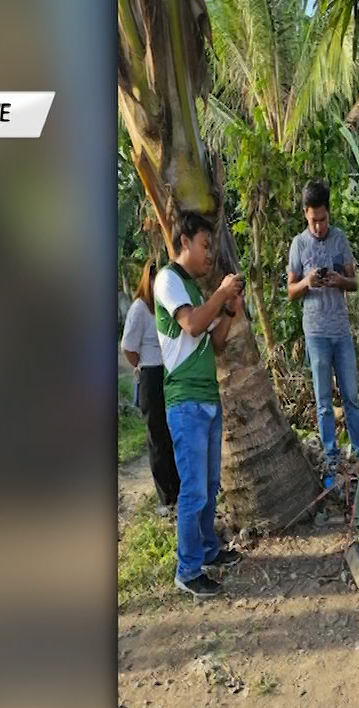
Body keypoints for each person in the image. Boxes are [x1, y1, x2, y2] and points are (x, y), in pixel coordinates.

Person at [155, 209, 246, 599]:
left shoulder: (193, 289)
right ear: (184, 241)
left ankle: (208, 550)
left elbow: (216, 341)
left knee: (208, 485)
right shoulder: (168, 280)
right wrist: (222, 294)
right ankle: (188, 569)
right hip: (186, 400)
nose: (210, 254)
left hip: (207, 397)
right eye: (205, 245)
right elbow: (191, 325)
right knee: (194, 489)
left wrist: (228, 311)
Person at [287, 178, 359, 472]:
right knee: (323, 400)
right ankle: (331, 455)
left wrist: (339, 280)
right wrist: (307, 281)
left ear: (328, 214)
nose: (319, 226)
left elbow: (354, 282)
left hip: (340, 330)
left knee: (351, 396)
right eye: (313, 220)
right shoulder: (298, 244)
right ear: (306, 214)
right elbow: (290, 292)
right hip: (316, 331)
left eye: (323, 219)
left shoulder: (340, 239)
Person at [121, 262, 180, 515]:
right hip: (150, 374)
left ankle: (178, 489)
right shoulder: (139, 309)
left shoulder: (167, 307)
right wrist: (143, 367)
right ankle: (166, 498)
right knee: (157, 437)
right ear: (149, 280)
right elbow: (128, 347)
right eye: (157, 280)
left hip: (170, 374)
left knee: (173, 433)